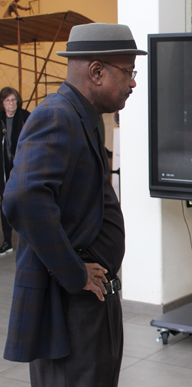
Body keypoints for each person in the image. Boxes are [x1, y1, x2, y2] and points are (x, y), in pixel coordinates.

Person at [2, 23, 147, 387]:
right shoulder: (57, 115)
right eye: (127, 72)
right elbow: (22, 196)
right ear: (96, 71)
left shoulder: (83, 116)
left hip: (93, 303)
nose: (132, 83)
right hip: (69, 306)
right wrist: (75, 271)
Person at [0, 87, 29, 255]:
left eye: (13, 100)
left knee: (24, 203)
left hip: (22, 167)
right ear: (2, 103)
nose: (11, 104)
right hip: (4, 168)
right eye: (8, 101)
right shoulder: (1, 119)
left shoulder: (25, 117)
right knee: (4, 203)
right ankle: (6, 241)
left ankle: (28, 240)